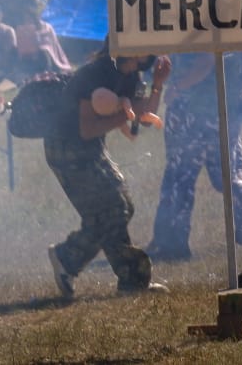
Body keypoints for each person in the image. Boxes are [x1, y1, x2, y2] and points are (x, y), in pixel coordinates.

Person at [45, 48, 170, 298]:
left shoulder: (131, 77)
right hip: (66, 149)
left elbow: (143, 119)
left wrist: (157, 86)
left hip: (90, 149)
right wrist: (124, 115)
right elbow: (87, 129)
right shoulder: (94, 75)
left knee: (120, 208)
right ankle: (132, 280)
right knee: (113, 209)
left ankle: (68, 257)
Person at [150, 52, 242, 259]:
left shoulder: (207, 25)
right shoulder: (233, 25)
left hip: (198, 112)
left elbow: (206, 60)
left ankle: (175, 246)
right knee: (225, 177)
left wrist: (179, 87)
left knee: (182, 177)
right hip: (227, 110)